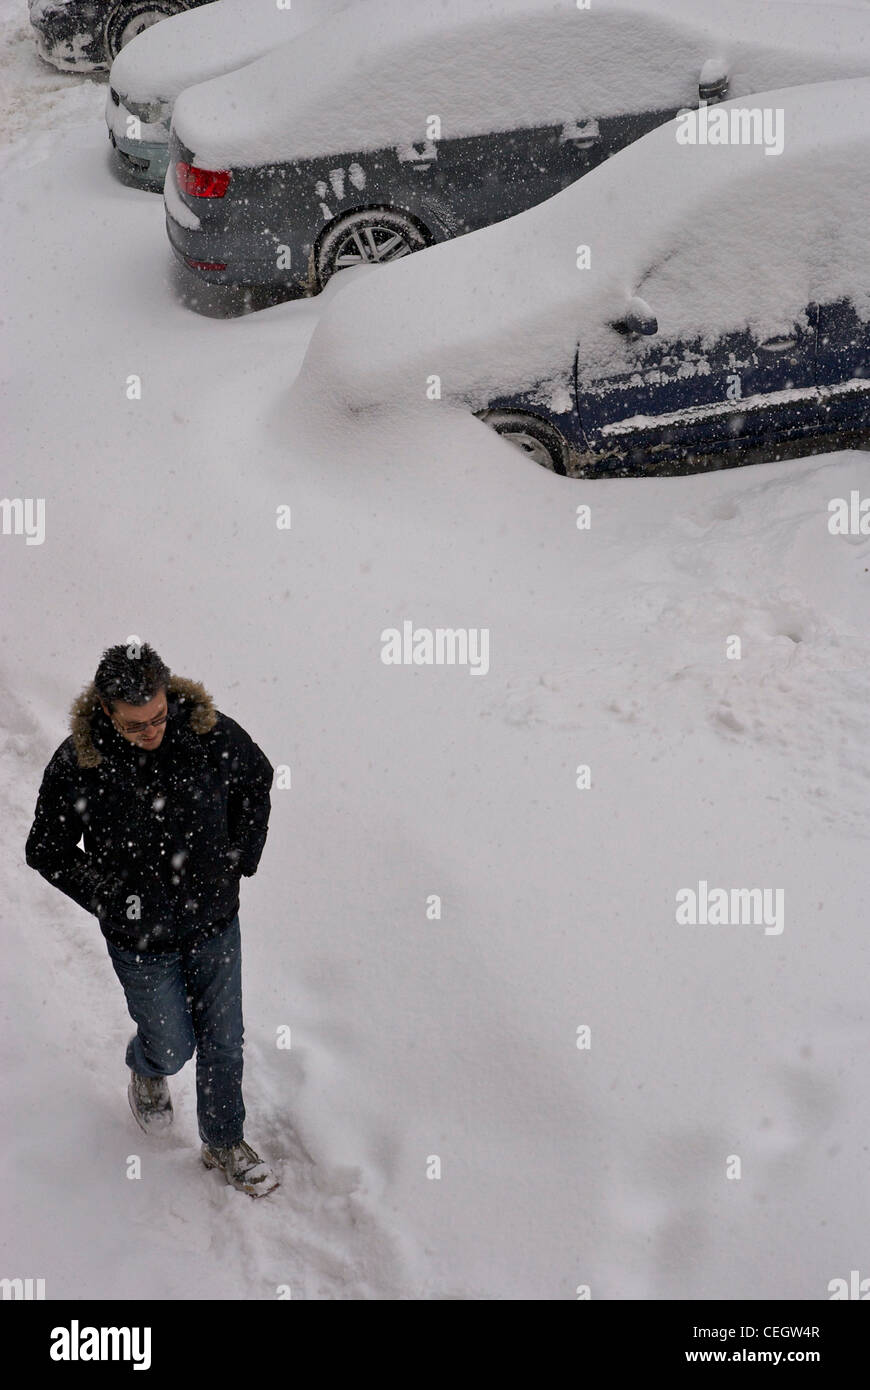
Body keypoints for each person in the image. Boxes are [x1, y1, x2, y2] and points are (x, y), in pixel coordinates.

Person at [25, 641, 278, 1197]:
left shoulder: (207, 732)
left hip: (214, 919)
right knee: (172, 1044)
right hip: (141, 937)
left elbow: (256, 780)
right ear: (109, 711)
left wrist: (240, 857)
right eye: (136, 725)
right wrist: (108, 896)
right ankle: (146, 1067)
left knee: (224, 1038)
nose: (152, 730)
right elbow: (46, 849)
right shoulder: (81, 763)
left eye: (158, 716)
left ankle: (224, 1140)